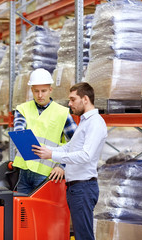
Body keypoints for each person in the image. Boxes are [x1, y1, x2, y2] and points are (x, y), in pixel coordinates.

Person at [32, 82, 107, 240]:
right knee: (81, 234)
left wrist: (52, 155)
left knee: (84, 236)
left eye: (73, 100)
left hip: (83, 187)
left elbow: (85, 155)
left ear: (85, 99)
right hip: (76, 188)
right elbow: (69, 148)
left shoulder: (95, 123)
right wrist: (45, 149)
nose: (70, 104)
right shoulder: (85, 122)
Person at [13, 68, 77, 194]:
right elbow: (19, 132)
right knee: (22, 211)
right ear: (31, 90)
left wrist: (63, 166)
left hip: (47, 174)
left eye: (44, 91)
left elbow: (77, 142)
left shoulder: (62, 113)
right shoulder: (22, 109)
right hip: (24, 172)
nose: (40, 95)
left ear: (50, 90)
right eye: (36, 91)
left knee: (43, 212)